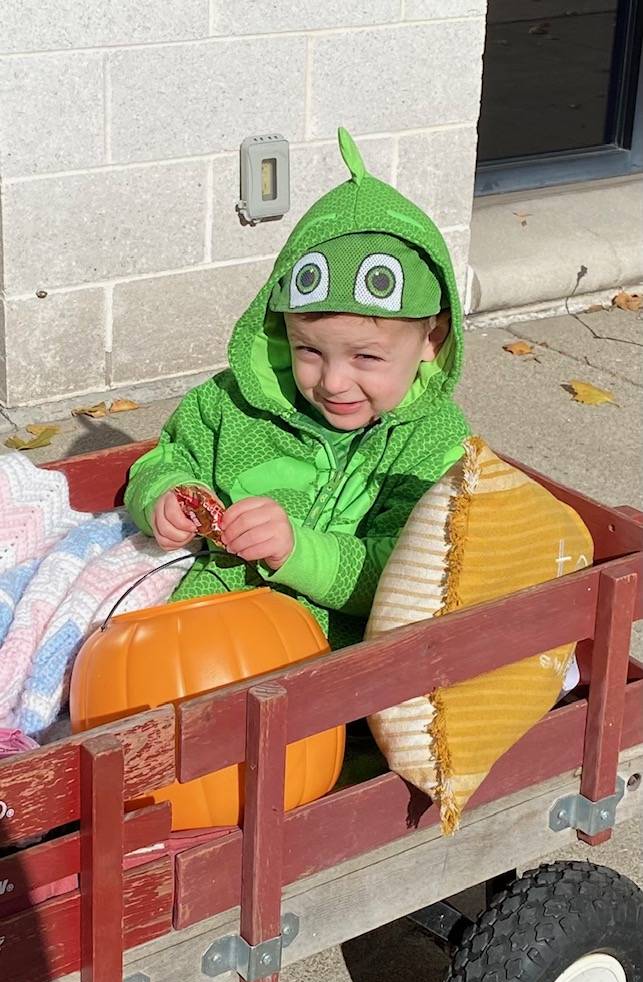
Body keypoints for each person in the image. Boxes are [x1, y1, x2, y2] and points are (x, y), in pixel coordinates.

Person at [124, 127, 470, 649]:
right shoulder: (233, 404)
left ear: (432, 339)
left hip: (340, 654)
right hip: (209, 621)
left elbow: (407, 574)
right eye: (309, 350)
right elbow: (166, 458)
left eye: (367, 357)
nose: (332, 381)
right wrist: (163, 497)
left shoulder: (432, 444)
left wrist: (295, 551)